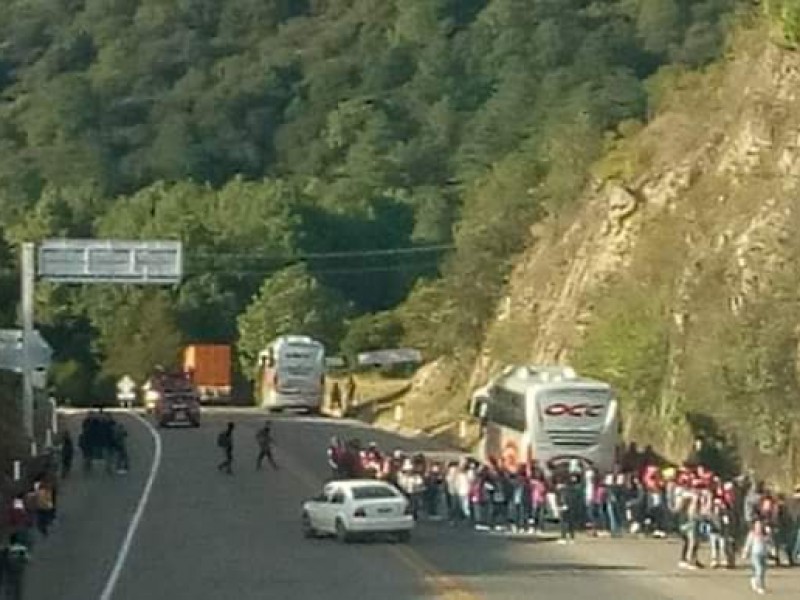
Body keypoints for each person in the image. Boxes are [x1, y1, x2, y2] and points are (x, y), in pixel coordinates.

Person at [742, 519, 770, 595]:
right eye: (757, 526)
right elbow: (748, 544)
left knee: (763, 571)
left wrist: (767, 536)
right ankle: (759, 587)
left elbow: (768, 543)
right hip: (755, 555)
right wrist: (745, 553)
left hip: (763, 555)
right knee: (759, 569)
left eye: (760, 526)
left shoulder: (765, 534)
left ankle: (756, 581)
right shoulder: (752, 534)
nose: (759, 527)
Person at [0, 532, 31, 600]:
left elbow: (2, 561)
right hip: (18, 572)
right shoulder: (22, 549)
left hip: (9, 572)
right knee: (18, 588)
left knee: (8, 588)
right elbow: (27, 560)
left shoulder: (6, 549)